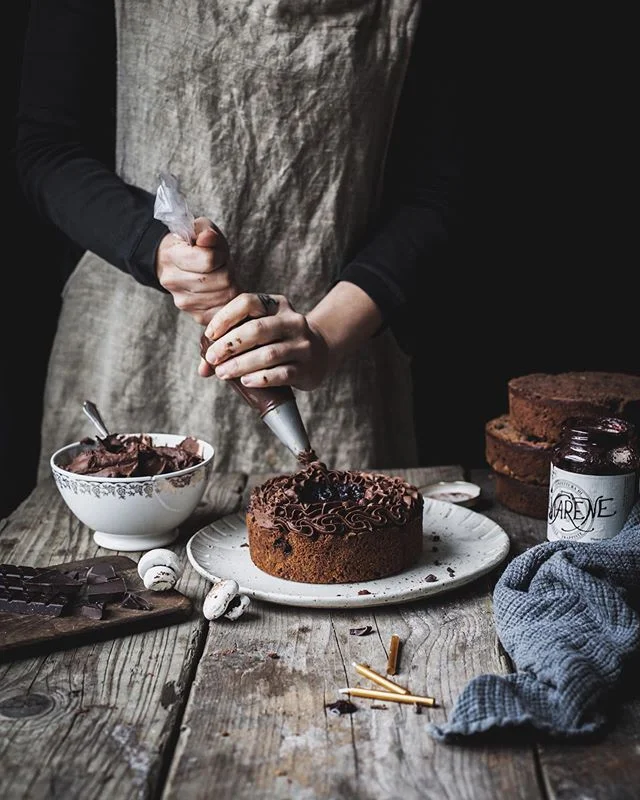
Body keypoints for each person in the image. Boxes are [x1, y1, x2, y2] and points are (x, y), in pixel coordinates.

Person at [16, 0, 462, 480]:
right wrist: (153, 245)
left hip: (341, 356)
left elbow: (436, 191)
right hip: (130, 353)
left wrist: (326, 339)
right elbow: (48, 146)